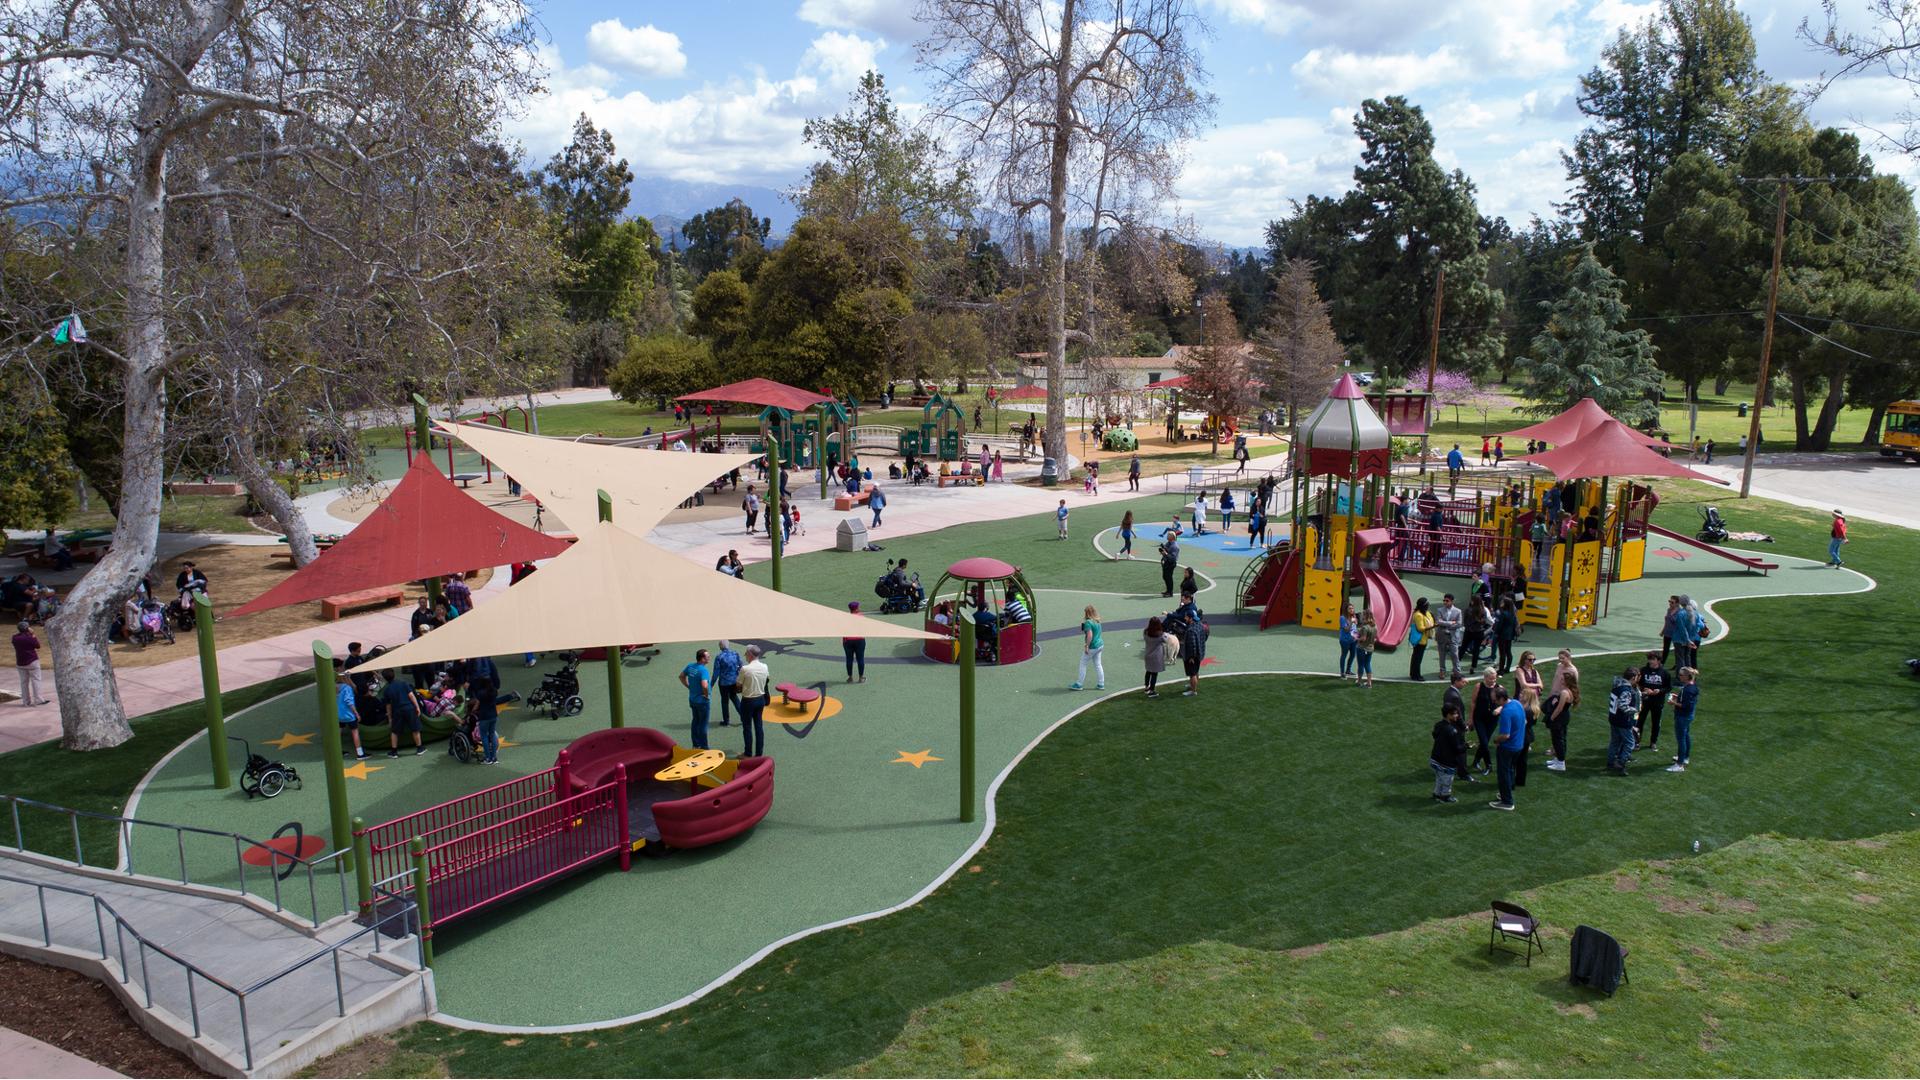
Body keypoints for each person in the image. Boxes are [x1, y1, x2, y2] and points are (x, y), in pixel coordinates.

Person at [1167, 591, 1208, 697]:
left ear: (1190, 618)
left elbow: (1192, 645)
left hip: (1193, 656)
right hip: (1200, 653)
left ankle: (1193, 691)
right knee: (1196, 671)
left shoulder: (1191, 630)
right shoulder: (1200, 625)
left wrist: (1191, 657)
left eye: (1186, 617)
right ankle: (1192, 685)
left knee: (1192, 673)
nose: (1185, 618)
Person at [1489, 685, 1523, 810]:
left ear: (1502, 699)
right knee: (1509, 771)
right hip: (1518, 745)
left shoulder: (1506, 712)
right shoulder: (1517, 703)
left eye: (1495, 700)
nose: (1494, 703)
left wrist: (1496, 740)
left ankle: (1507, 802)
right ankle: (1505, 794)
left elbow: (1505, 735)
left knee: (1503, 774)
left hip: (1508, 748)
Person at [1431, 703, 1470, 804]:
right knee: (1448, 780)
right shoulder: (1452, 730)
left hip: (1435, 758)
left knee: (1439, 778)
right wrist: (1467, 746)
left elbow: (1435, 735)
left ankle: (1436, 793)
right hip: (1447, 762)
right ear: (1448, 715)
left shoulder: (1438, 725)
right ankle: (1445, 796)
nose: (1457, 716)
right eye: (1454, 714)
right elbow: (1457, 749)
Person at [1606, 666, 1641, 775]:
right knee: (1630, 743)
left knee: (1615, 741)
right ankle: (1621, 763)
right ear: (1634, 677)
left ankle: (1610, 762)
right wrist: (1635, 710)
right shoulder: (1626, 690)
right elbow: (1623, 706)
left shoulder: (1617, 684)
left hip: (1613, 718)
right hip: (1623, 721)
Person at [380, 669, 424, 757]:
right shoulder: (403, 683)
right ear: (394, 675)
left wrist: (389, 718)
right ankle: (419, 748)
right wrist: (417, 707)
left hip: (397, 711)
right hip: (409, 708)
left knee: (394, 731)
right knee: (415, 729)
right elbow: (411, 695)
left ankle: (394, 751)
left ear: (385, 678)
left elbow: (388, 705)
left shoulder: (387, 690)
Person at [737, 644, 771, 758]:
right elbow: (766, 680)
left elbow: (738, 686)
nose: (746, 656)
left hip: (748, 701)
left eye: (746, 654)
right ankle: (759, 753)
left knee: (747, 727)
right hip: (760, 699)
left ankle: (748, 753)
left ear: (750, 655)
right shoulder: (765, 667)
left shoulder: (745, 669)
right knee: (759, 727)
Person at [1542, 668, 1578, 771]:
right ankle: (1558, 759)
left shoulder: (1564, 692)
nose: (1561, 681)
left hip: (1559, 718)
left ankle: (1561, 763)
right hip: (1564, 717)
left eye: (1562, 680)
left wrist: (1552, 717)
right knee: (1561, 739)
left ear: (1567, 681)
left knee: (1557, 740)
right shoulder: (1568, 691)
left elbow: (1559, 708)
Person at [1667, 666, 1699, 772]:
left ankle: (1679, 764)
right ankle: (1685, 758)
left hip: (1683, 717)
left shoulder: (1687, 690)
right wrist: (1678, 697)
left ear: (1687, 676)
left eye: (1681, 675)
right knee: (1686, 736)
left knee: (1681, 740)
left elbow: (1685, 706)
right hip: (1688, 716)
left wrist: (1673, 702)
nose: (1679, 676)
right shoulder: (1692, 686)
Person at [1636, 651, 1669, 754]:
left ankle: (1653, 742)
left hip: (1657, 701)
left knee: (1656, 722)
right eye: (1649, 659)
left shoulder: (1664, 673)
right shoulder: (1643, 671)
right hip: (1644, 701)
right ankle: (1637, 741)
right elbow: (1636, 683)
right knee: (1640, 721)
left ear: (1658, 661)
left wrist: (1659, 691)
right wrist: (1643, 689)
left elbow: (1668, 687)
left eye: (1653, 659)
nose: (1650, 661)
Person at [680, 648, 713, 750]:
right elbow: (704, 685)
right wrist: (706, 695)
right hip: (702, 702)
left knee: (695, 721)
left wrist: (688, 686)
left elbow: (681, 676)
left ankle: (695, 745)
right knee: (703, 724)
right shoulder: (703, 670)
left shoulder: (690, 666)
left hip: (693, 700)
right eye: (707, 657)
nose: (709, 658)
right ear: (702, 659)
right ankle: (704, 747)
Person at [1469, 667, 1500, 774]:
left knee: (1484, 742)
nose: (1493, 681)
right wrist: (1470, 718)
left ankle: (1476, 761)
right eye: (1491, 679)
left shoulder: (1499, 688)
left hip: (1492, 720)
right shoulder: (1479, 686)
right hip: (1479, 718)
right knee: (1484, 742)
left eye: (1494, 679)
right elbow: (1473, 702)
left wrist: (1499, 709)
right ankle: (1489, 765)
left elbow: (1505, 703)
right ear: (1485, 677)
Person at [13, 621, 47, 707]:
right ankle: (38, 700)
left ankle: (26, 701)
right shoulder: (29, 637)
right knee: (36, 680)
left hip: (20, 662)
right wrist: (33, 634)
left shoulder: (15, 638)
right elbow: (37, 645)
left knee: (24, 682)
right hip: (32, 661)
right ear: (27, 628)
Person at [1071, 605, 1105, 691]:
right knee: (1098, 664)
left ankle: (1079, 684)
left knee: (1083, 663)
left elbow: (1090, 635)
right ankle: (1101, 684)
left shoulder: (1088, 623)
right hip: (1100, 645)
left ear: (1087, 613)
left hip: (1092, 646)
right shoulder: (1097, 621)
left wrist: (1086, 646)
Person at [336, 669, 367, 760]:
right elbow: (349, 702)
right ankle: (360, 753)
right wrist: (356, 714)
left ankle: (337, 751)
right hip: (349, 715)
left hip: (339, 714)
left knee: (338, 732)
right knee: (355, 732)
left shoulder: (334, 687)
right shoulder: (347, 688)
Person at [713, 640, 743, 727]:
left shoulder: (719, 657)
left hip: (724, 683)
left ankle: (726, 721)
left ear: (720, 646)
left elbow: (716, 673)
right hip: (734, 681)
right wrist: (737, 674)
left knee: (725, 701)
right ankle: (743, 717)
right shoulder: (735, 654)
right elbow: (741, 665)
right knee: (734, 698)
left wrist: (711, 684)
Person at [1433, 594, 1463, 678]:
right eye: (1444, 600)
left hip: (1453, 636)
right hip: (1442, 635)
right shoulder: (1439, 610)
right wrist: (1451, 623)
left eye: (1447, 601)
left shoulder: (1458, 611)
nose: (1445, 602)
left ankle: (1457, 671)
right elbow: (1438, 621)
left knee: (1455, 654)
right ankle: (1442, 671)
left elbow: (1459, 624)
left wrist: (1445, 624)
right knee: (1442, 654)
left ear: (1452, 601)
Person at [1141, 616, 1169, 698]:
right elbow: (1166, 640)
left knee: (1148, 671)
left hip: (1148, 654)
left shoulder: (1146, 632)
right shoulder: (1160, 635)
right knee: (1154, 673)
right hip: (1156, 657)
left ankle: (1146, 687)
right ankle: (1152, 690)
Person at [1409, 597, 1434, 680]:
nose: (1428, 605)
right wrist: (1431, 627)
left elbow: (1430, 619)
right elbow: (1420, 628)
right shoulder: (1418, 615)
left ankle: (1413, 674)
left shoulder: (1426, 613)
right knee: (1417, 658)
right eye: (1427, 604)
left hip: (1424, 639)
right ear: (1424, 605)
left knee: (1416, 657)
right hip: (1419, 640)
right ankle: (1416, 675)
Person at [1492, 598, 1519, 674]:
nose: (1501, 603)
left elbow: (1499, 625)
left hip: (1502, 635)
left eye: (1502, 602)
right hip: (1509, 635)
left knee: (1502, 653)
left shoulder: (1503, 613)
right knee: (1508, 652)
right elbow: (1514, 625)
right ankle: (1507, 668)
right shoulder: (1513, 614)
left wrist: (1496, 633)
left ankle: (1501, 670)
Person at [1462, 595, 1489, 671]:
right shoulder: (1483, 610)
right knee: (1476, 650)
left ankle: (1457, 664)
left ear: (1473, 601)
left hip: (1469, 631)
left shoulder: (1468, 610)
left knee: (1463, 647)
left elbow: (1465, 621)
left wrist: (1468, 627)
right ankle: (1473, 667)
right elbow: (1484, 621)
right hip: (1479, 632)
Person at [842, 602, 867, 683]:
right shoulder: (861, 616)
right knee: (860, 658)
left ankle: (850, 677)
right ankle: (861, 677)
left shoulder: (845, 618)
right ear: (856, 608)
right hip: (859, 640)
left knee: (849, 659)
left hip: (848, 640)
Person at [1355, 610, 1378, 688]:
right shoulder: (1375, 626)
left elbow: (1363, 638)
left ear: (1365, 616)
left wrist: (1356, 638)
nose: (1362, 617)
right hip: (1370, 649)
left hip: (1362, 648)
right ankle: (1369, 683)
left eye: (1363, 615)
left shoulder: (1365, 627)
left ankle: (1359, 681)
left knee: (1361, 665)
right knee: (1367, 664)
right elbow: (1375, 639)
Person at [1158, 531, 1180, 597]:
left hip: (1170, 563)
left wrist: (1165, 553)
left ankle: (1170, 593)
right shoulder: (1169, 543)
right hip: (1166, 562)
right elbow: (1167, 549)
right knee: (1165, 577)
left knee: (1169, 578)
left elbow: (1172, 558)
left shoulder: (1174, 546)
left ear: (1172, 537)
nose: (1167, 536)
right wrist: (1163, 548)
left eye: (1168, 535)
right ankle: (1168, 591)